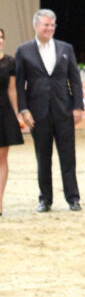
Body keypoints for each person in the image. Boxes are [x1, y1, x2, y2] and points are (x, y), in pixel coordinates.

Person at [15, 9, 84, 212]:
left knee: (68, 157)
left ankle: (73, 198)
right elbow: (19, 84)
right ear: (36, 26)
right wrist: (23, 109)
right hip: (38, 114)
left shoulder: (66, 48)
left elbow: (75, 80)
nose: (50, 28)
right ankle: (45, 199)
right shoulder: (23, 51)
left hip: (64, 112)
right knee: (42, 158)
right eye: (46, 25)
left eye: (52, 25)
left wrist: (78, 106)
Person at [0, 27, 24, 215]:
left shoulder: (10, 62)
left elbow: (13, 90)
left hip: (4, 113)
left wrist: (17, 114)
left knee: (2, 159)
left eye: (1, 37)